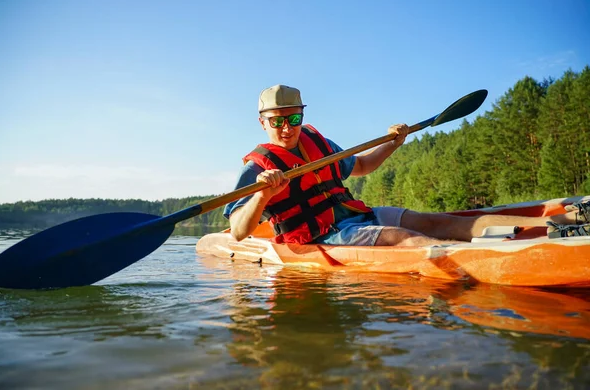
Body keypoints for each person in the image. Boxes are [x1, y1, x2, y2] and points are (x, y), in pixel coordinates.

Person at [223, 84, 589, 246]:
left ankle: (560, 224)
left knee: (440, 222)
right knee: (407, 239)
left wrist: (396, 144)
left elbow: (363, 166)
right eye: (277, 121)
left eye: (293, 119)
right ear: (263, 122)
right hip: (320, 236)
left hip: (358, 216)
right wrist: (262, 195)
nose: (286, 128)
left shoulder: (319, 144)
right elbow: (239, 230)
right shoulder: (256, 168)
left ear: (302, 116)